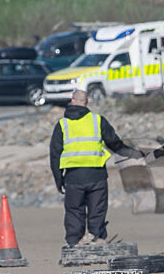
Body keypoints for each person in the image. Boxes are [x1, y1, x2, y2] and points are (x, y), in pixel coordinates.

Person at [49, 89, 142, 247]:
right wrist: (136, 154)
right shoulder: (97, 120)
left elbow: (55, 154)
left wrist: (59, 179)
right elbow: (115, 144)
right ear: (86, 103)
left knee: (74, 212)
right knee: (97, 211)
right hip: (96, 175)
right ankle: (96, 238)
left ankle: (74, 243)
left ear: (72, 101)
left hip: (73, 177)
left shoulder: (62, 125)